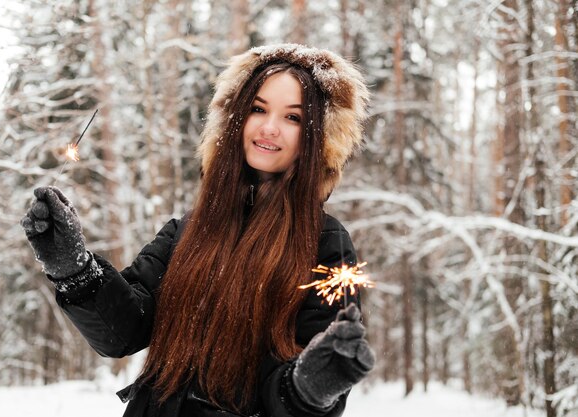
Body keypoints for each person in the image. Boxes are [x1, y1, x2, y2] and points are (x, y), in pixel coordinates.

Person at [21, 44, 374, 417]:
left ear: (315, 138)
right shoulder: (186, 229)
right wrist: (74, 270)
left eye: (293, 118)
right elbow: (122, 332)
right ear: (235, 119)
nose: (269, 127)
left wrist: (308, 386)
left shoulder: (325, 243)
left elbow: (301, 380)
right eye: (258, 109)